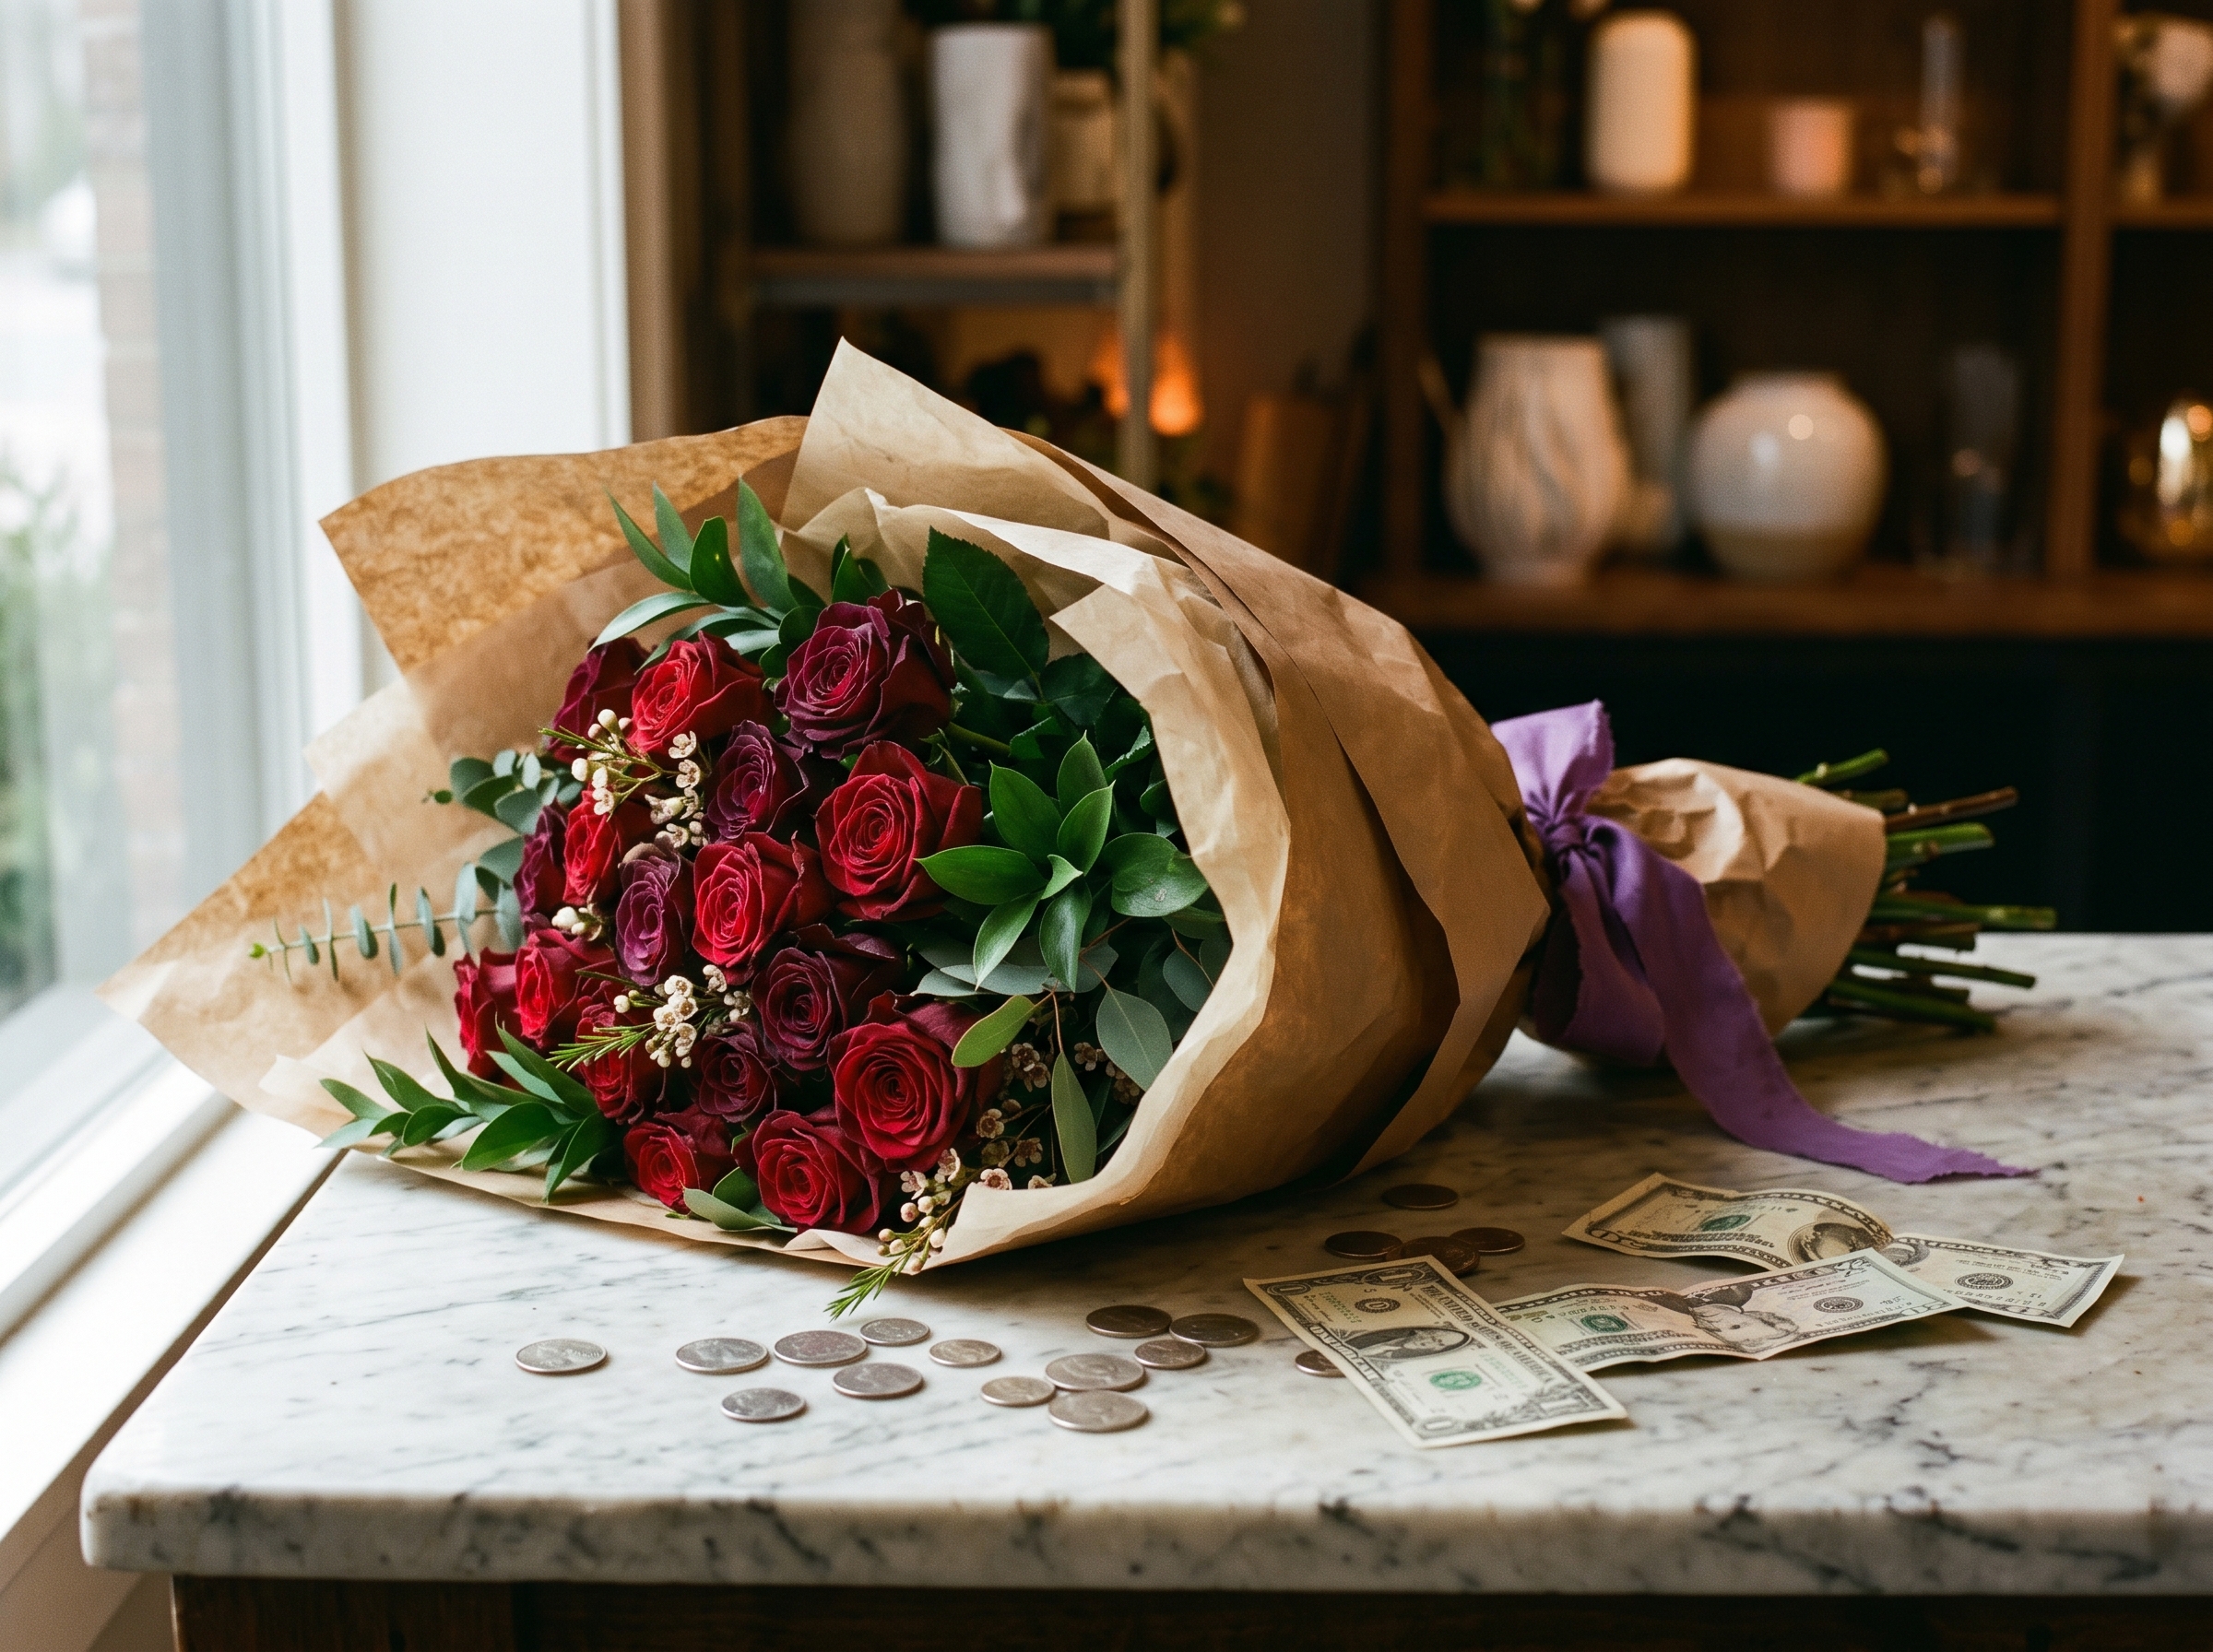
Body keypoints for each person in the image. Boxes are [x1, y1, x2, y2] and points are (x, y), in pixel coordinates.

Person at [1342, 1325, 1472, 1362]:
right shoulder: (1387, 1331)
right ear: (1420, 1332)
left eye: (1440, 1344)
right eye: (1433, 1338)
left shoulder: (1397, 1356)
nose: (1428, 1344)